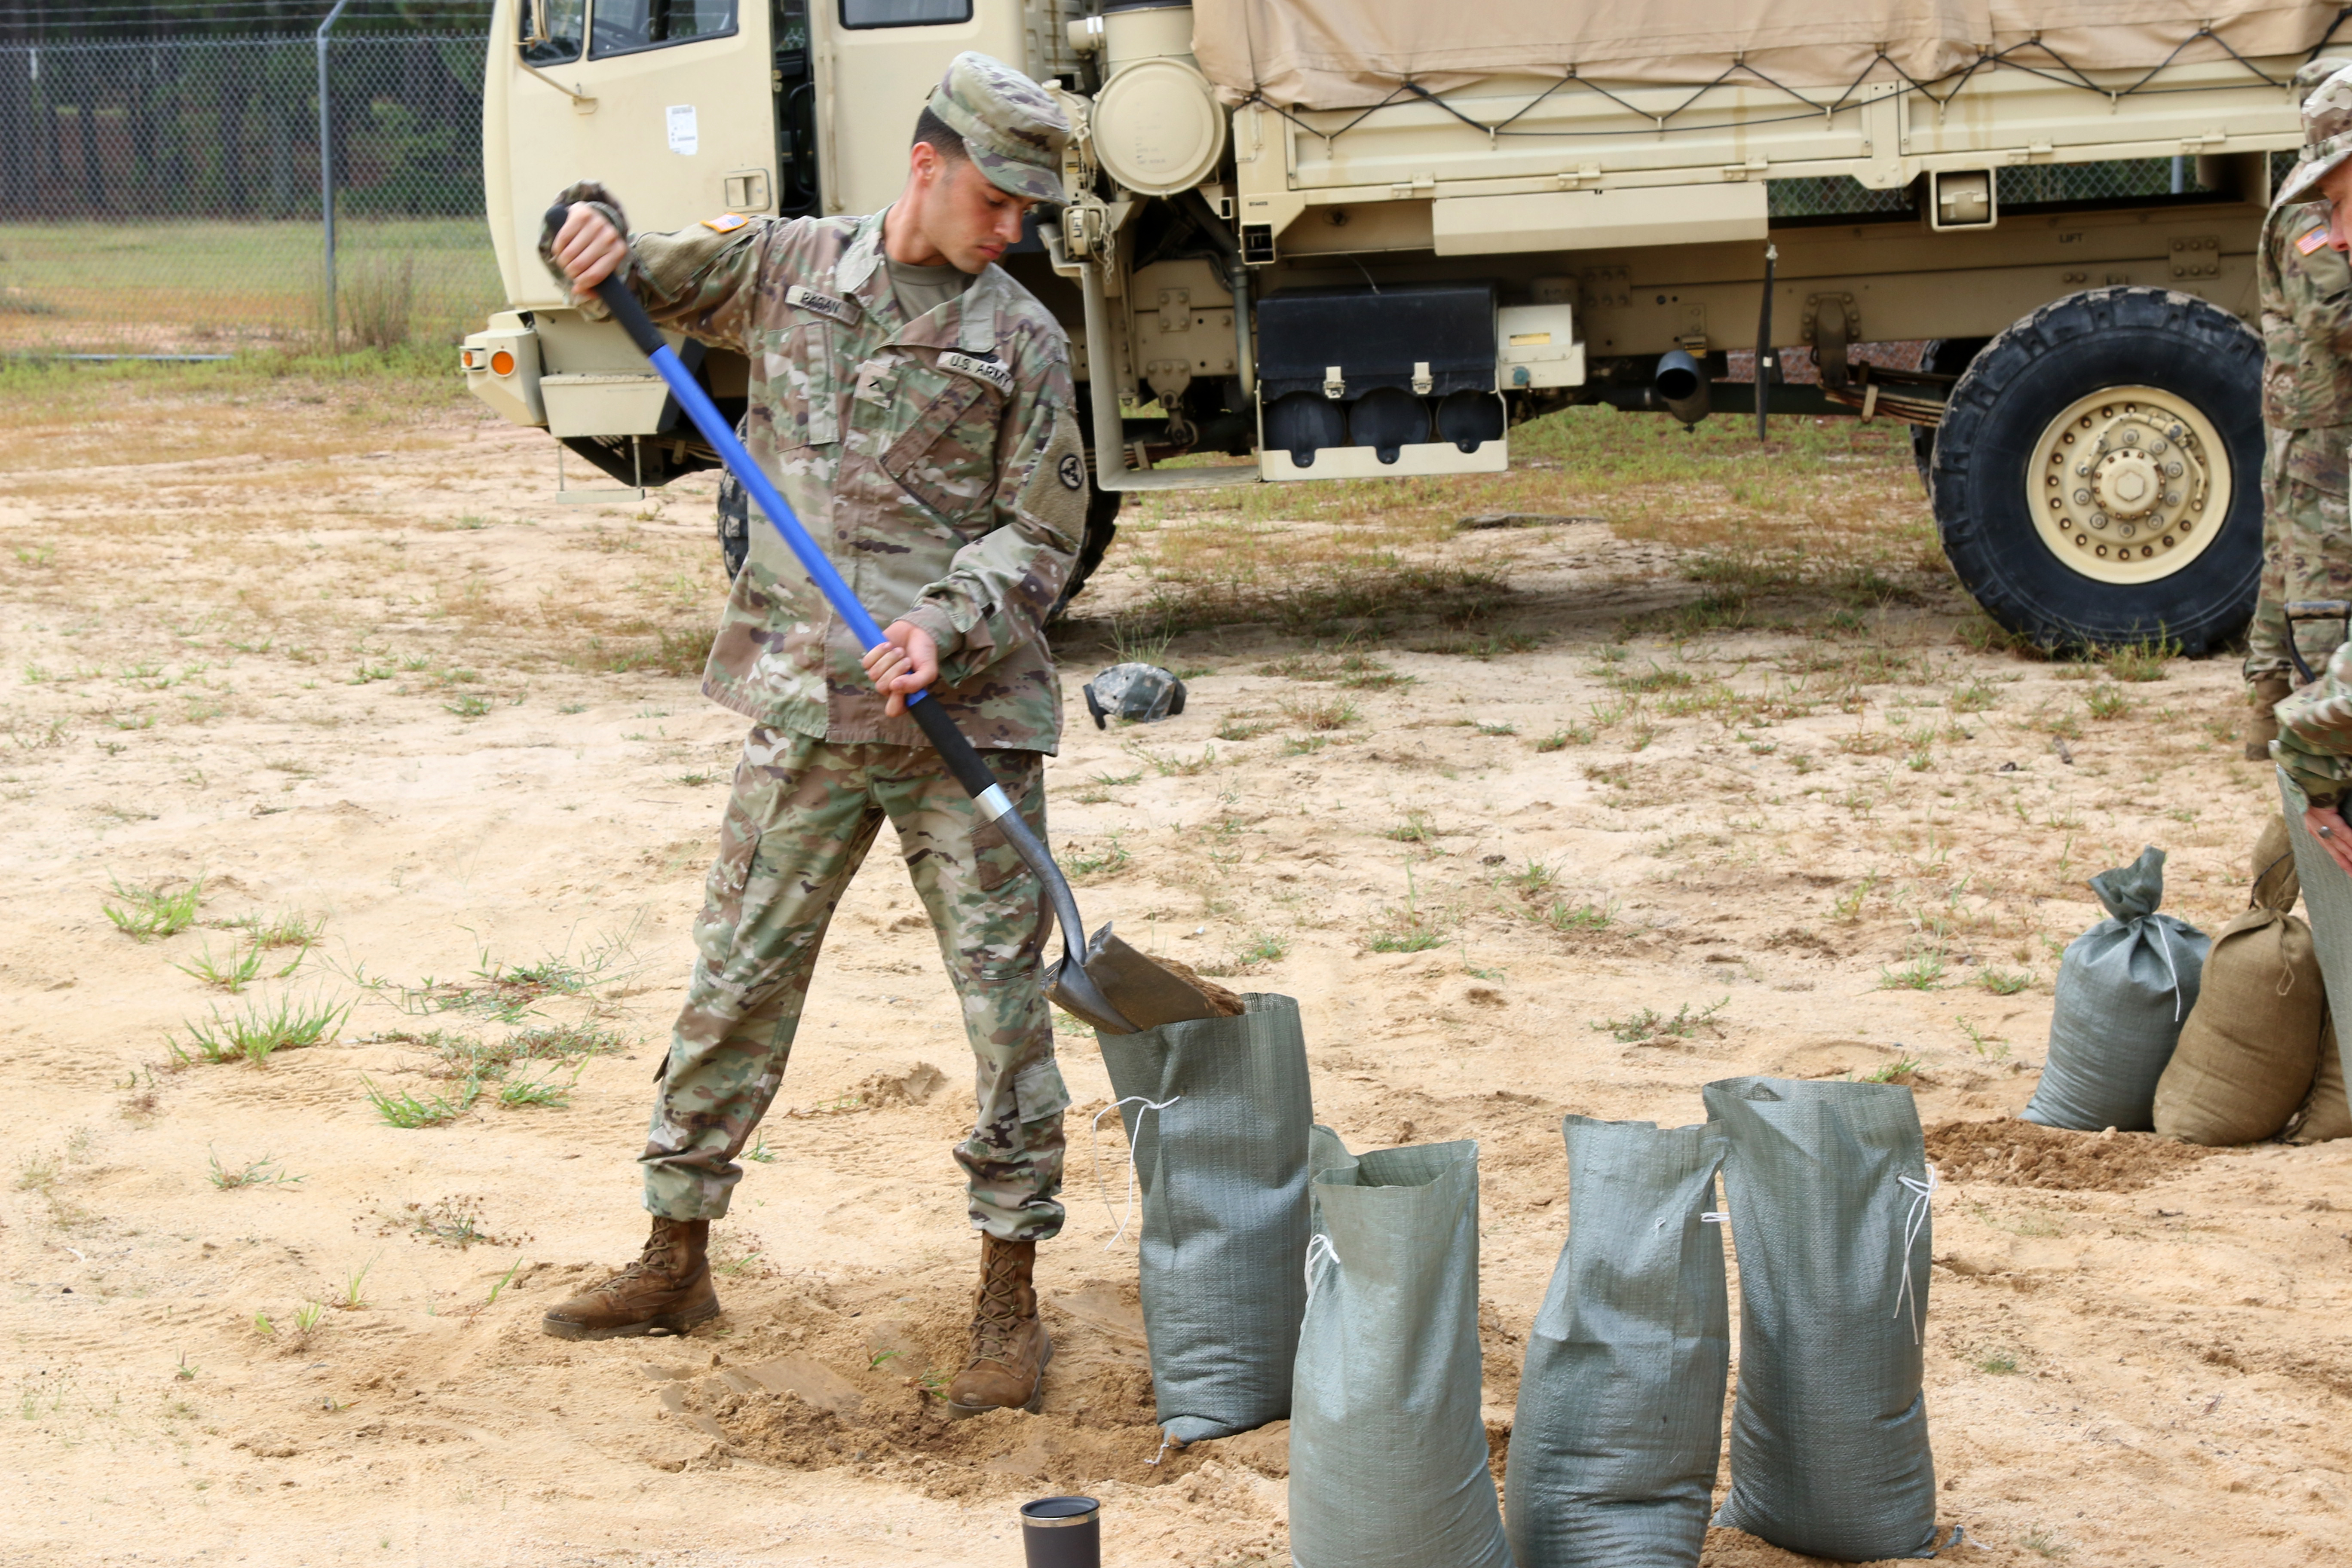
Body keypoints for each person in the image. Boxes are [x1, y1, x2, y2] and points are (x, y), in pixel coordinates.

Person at [532, 52, 1087, 1418]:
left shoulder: (1024, 338)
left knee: (1007, 1016)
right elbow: (622, 268)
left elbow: (1049, 533)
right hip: (806, 709)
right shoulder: (786, 268)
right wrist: (581, 215)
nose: (1011, 228)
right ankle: (675, 1255)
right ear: (927, 163)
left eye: (1028, 212)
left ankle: (1009, 1301)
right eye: (1000, 200)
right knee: (736, 978)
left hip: (963, 720)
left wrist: (946, 625)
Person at [2244, 56, 2352, 759]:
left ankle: (2270, 717)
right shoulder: (2309, 214)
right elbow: (2335, 318)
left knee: (2289, 569)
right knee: (2320, 584)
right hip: (2319, 431)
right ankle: (2312, 741)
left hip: (2322, 424)